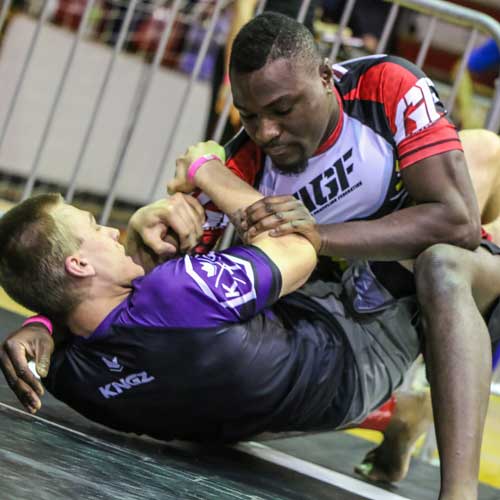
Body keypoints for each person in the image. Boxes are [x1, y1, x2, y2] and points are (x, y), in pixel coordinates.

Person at [0, 11, 494, 489]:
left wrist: (314, 231)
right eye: (250, 116)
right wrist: (48, 317)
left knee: (465, 202)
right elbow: (131, 292)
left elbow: (457, 221)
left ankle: (448, 470)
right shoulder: (241, 164)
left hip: (386, 283)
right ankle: (406, 409)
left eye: (282, 110)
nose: (267, 132)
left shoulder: (383, 87)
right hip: (324, 327)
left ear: (326, 77)